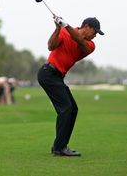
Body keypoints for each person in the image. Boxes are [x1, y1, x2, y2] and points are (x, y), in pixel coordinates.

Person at [37, 16, 104, 157]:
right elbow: (50, 46)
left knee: (72, 109)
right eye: (95, 32)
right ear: (86, 26)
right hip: (48, 73)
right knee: (66, 108)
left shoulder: (90, 45)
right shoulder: (64, 31)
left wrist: (65, 26)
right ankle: (59, 147)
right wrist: (57, 29)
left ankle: (60, 146)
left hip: (57, 77)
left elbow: (79, 40)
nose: (95, 36)